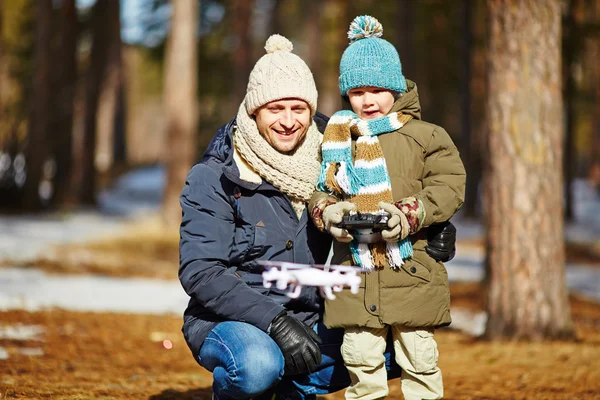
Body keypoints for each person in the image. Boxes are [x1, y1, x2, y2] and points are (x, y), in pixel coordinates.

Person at [179, 34, 457, 400]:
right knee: (257, 365)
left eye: (298, 108)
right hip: (231, 320)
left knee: (393, 347)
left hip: (309, 313)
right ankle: (258, 383)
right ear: (253, 111)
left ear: (311, 110)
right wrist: (275, 322)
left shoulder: (335, 157)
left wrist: (432, 229)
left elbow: (389, 197)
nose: (288, 121)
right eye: (275, 109)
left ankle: (291, 389)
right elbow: (201, 272)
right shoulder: (218, 174)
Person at [310, 16, 466, 400]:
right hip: (356, 272)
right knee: (361, 360)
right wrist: (328, 212)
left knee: (419, 359)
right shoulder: (337, 137)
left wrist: (410, 213)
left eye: (378, 90)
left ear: (395, 87)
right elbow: (319, 187)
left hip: (412, 271)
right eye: (358, 91)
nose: (368, 100)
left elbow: (448, 185)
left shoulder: (425, 135)